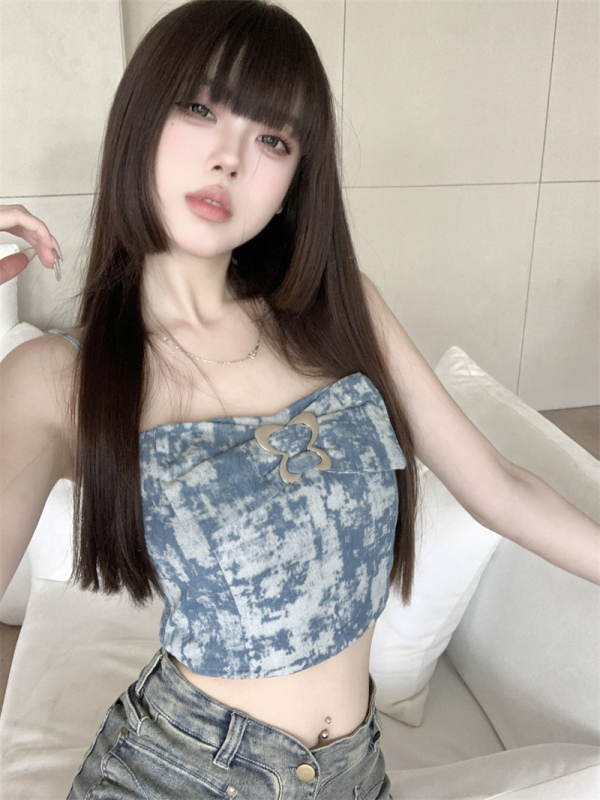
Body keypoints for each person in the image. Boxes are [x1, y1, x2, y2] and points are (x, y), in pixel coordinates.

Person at [0, 1, 598, 797]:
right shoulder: (57, 376)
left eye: (272, 140)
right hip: (174, 774)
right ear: (139, 121)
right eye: (200, 108)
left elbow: (500, 487)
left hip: (353, 772)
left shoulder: (340, 312)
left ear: (292, 183)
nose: (229, 159)